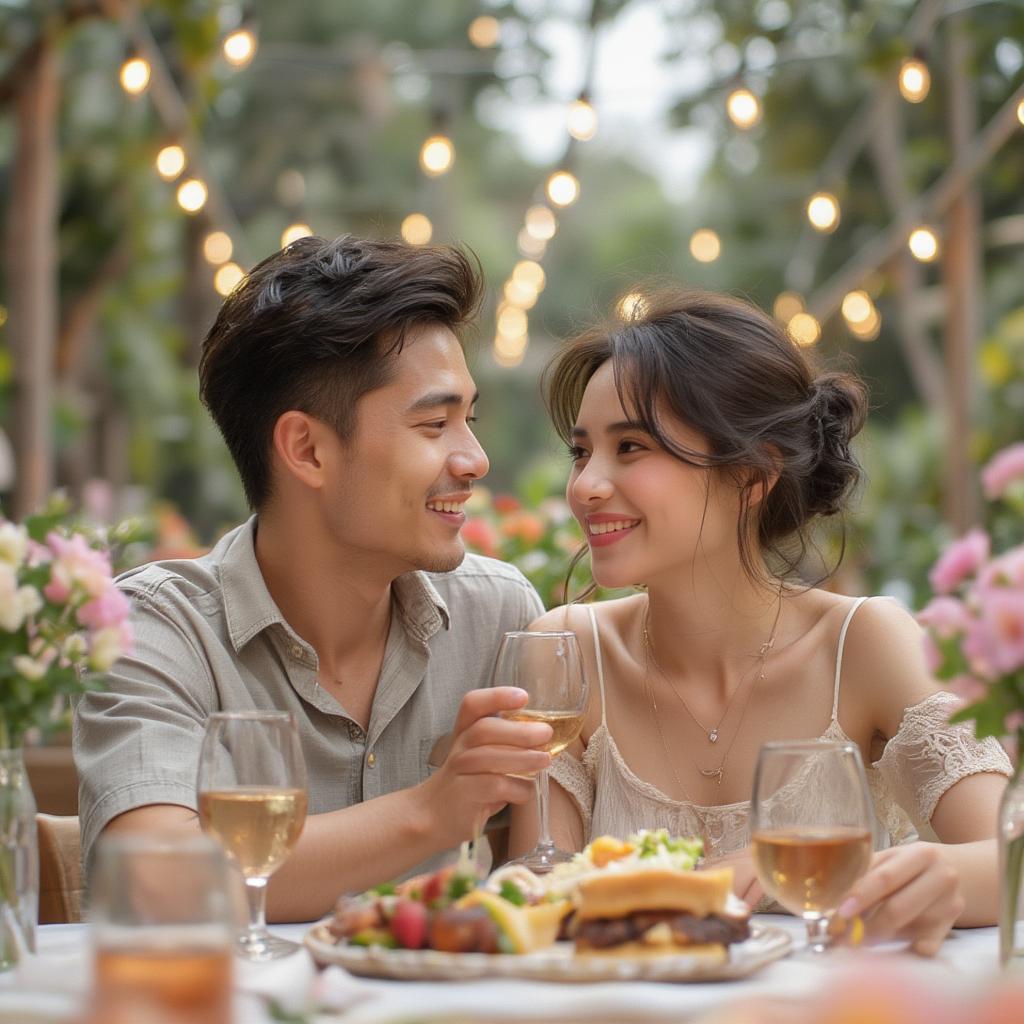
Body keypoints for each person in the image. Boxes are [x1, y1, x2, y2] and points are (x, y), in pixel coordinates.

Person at [510, 288, 1011, 955]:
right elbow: (540, 900)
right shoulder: (568, 651)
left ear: (752, 475)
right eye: (581, 453)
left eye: (630, 447)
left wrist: (820, 871)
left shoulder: (863, 644)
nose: (585, 486)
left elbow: (1012, 858)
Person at [75, 235, 555, 922]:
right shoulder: (156, 629)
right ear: (307, 450)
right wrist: (432, 810)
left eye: (468, 420)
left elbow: (547, 893)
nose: (474, 458)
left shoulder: (499, 616)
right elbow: (158, 885)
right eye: (435, 424)